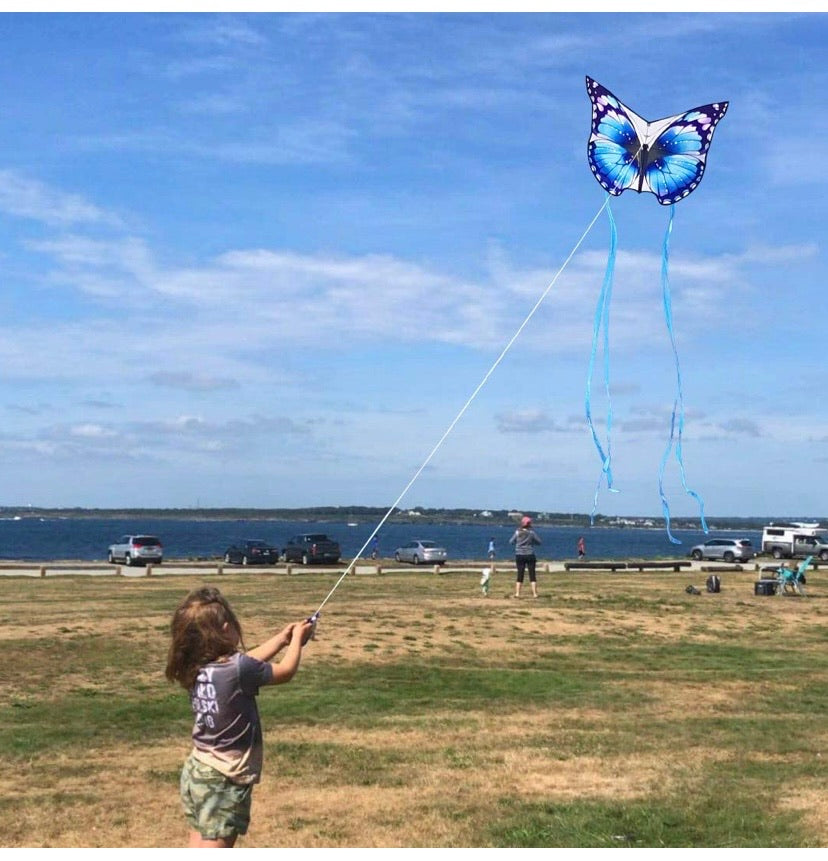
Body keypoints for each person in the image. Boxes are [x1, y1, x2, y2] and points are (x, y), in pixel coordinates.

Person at [165, 586, 314, 848]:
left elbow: (245, 662)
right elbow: (286, 671)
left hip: (199, 768)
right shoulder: (236, 669)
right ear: (226, 629)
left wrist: (282, 640)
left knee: (200, 841)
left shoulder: (197, 665)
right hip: (225, 776)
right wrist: (298, 641)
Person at [509, 516, 541, 598]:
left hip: (519, 555)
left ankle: (517, 593)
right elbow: (539, 542)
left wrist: (518, 543)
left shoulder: (517, 532)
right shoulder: (531, 533)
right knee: (532, 574)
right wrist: (532, 542)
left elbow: (511, 541)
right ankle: (534, 593)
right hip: (530, 554)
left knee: (520, 573)